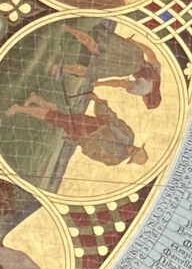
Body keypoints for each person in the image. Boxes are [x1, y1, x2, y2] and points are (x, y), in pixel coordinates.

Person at [5, 92, 147, 167]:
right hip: (93, 124)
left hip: (84, 137)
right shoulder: (129, 134)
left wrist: (80, 141)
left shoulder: (114, 159)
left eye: (132, 153)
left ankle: (35, 98)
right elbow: (113, 119)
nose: (131, 149)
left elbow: (93, 154)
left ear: (130, 158)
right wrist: (98, 101)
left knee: (59, 118)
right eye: (135, 149)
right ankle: (20, 108)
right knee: (57, 119)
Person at [58, 21, 162, 109]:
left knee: (95, 44)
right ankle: (58, 68)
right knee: (89, 71)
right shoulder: (143, 90)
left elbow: (149, 52)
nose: (143, 100)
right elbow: (120, 83)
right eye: (145, 101)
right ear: (150, 98)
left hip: (135, 53)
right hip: (125, 67)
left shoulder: (157, 75)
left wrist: (132, 41)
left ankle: (66, 27)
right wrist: (99, 84)